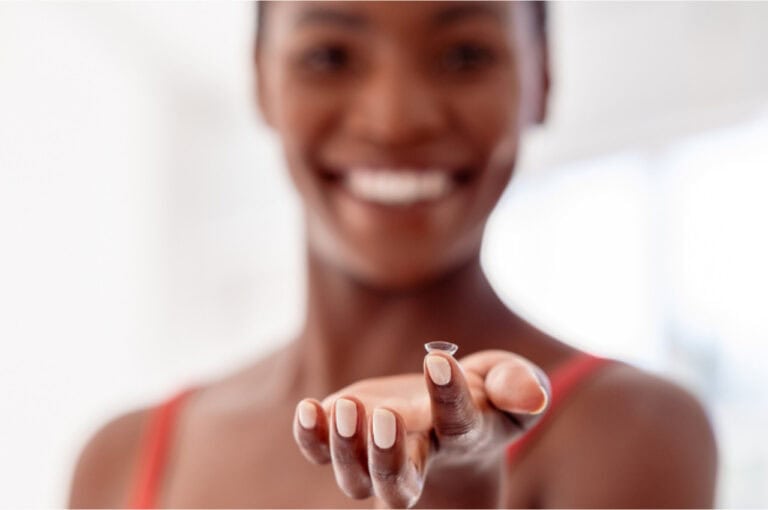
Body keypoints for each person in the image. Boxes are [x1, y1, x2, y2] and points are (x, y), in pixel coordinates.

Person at [67, 2, 717, 508]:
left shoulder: (633, 430)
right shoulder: (119, 459)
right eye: (328, 56)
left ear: (542, 79)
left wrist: (456, 498)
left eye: (464, 55)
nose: (396, 119)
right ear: (261, 80)